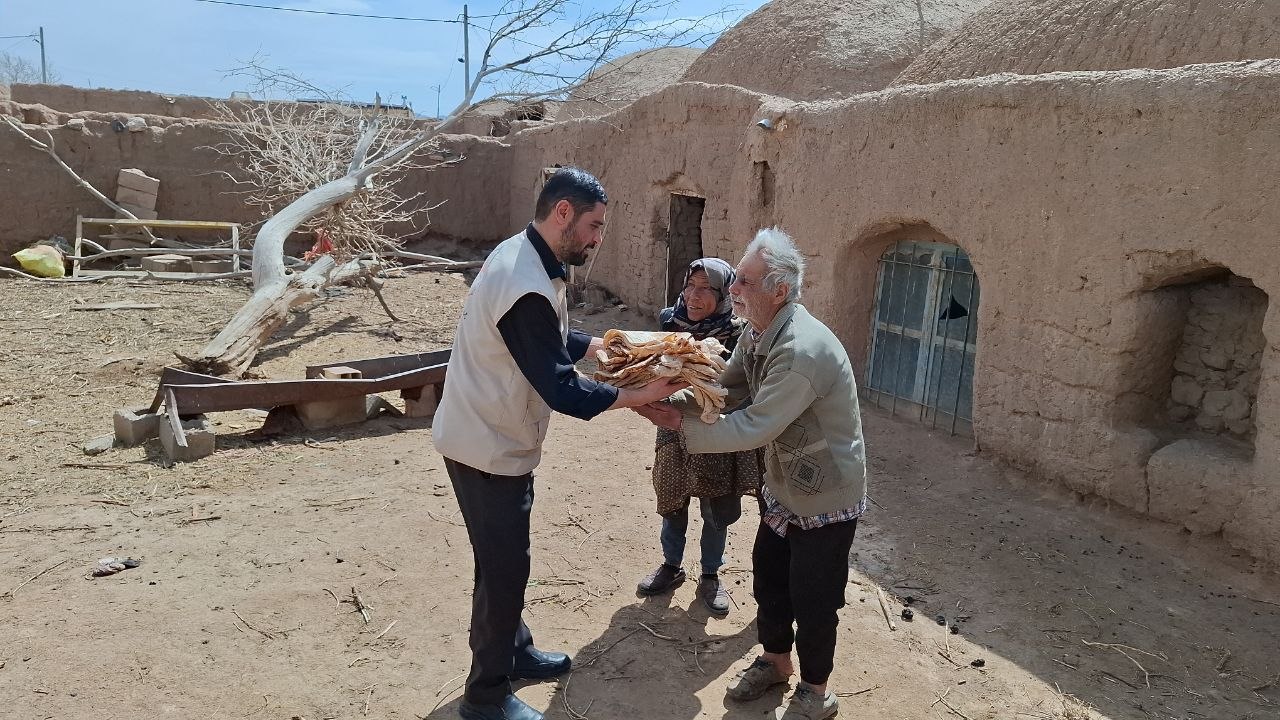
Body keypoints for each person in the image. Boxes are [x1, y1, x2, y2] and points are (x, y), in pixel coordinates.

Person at [432, 167, 686, 720]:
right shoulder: (524, 282)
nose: (598, 239)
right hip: (486, 448)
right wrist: (641, 395)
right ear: (563, 213)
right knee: (503, 570)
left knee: (502, 562)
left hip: (491, 437)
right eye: (594, 226)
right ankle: (486, 697)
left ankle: (515, 652)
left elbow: (551, 337)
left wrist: (604, 346)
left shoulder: (529, 259)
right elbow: (562, 389)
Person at [636, 228, 868, 720]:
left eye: (743, 280)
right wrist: (671, 401)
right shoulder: (758, 332)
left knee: (815, 595)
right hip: (785, 484)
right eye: (735, 279)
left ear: (778, 290)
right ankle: (775, 660)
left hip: (825, 491)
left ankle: (815, 690)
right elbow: (727, 387)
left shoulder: (801, 349)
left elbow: (757, 422)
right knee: (771, 578)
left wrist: (682, 427)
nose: (733, 289)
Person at [637, 257, 762, 616]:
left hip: (716, 429)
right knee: (673, 498)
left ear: (722, 293)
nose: (695, 295)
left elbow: (742, 386)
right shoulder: (668, 322)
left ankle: (710, 574)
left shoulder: (738, 333)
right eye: (690, 285)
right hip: (673, 428)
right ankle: (671, 565)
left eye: (707, 288)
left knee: (715, 506)